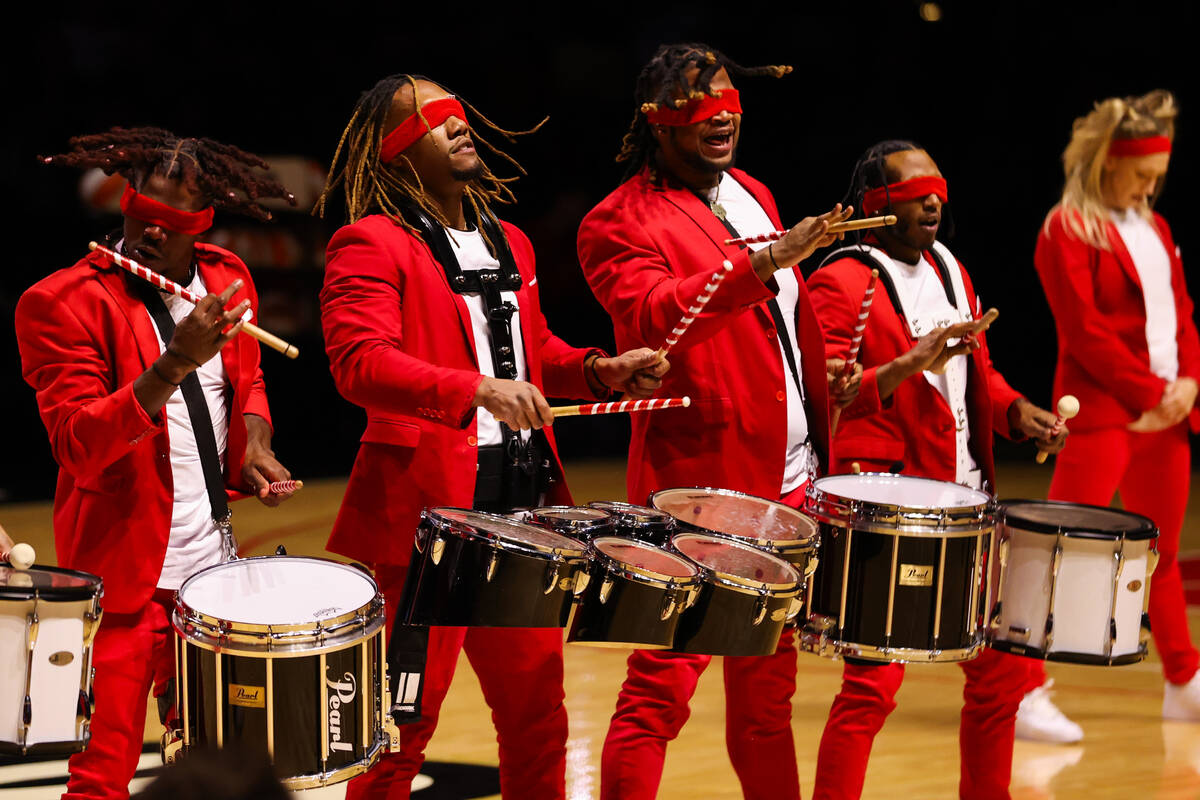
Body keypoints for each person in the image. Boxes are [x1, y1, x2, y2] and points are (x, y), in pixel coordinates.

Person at [315, 73, 666, 800]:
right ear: (396, 154)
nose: (457, 126)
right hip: (426, 525)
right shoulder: (370, 242)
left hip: (521, 514)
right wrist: (473, 390)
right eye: (431, 122)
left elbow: (536, 351)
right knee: (400, 732)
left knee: (539, 721)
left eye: (457, 115)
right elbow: (359, 362)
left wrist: (600, 370)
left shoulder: (511, 242)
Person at [577, 43, 858, 800]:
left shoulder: (753, 193)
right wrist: (764, 264)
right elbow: (654, 318)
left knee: (769, 697)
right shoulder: (615, 220)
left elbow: (776, 325)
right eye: (699, 104)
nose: (722, 113)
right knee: (658, 694)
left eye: (730, 98)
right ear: (657, 123)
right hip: (703, 490)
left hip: (791, 480)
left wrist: (814, 378)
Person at [15, 128, 296, 800]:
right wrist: (172, 365)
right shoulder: (61, 302)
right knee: (101, 775)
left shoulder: (229, 279)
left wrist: (254, 443)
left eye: (165, 228)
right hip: (121, 582)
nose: (145, 236)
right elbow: (78, 443)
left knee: (217, 767)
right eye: (138, 218)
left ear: (199, 228)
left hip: (212, 582)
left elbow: (247, 381)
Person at [806, 140, 1068, 800]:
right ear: (875, 204)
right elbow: (826, 393)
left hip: (968, 508)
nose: (933, 200)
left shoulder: (951, 266)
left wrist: (1017, 412)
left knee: (1000, 677)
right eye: (915, 190)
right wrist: (907, 364)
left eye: (938, 189)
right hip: (891, 512)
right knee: (871, 690)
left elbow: (974, 371)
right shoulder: (842, 279)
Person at [1033, 89, 1200, 724]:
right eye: (1141, 176)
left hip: (1166, 419)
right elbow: (1086, 332)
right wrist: (1154, 393)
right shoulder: (1066, 228)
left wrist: (1186, 385)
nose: (1152, 189)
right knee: (1059, 549)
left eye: (1159, 177)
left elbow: (1182, 315)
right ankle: (1020, 688)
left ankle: (1184, 680)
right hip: (1107, 412)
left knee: (1159, 551)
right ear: (1107, 164)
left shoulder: (1156, 228)